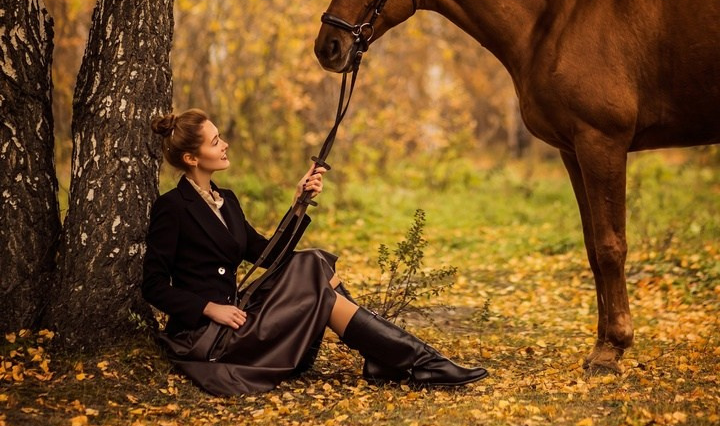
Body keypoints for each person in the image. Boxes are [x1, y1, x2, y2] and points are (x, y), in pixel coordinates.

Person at [142, 108, 489, 396]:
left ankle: (407, 360)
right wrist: (211, 309)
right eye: (216, 141)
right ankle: (411, 360)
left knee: (314, 261)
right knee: (313, 266)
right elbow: (153, 286)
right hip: (210, 335)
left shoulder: (226, 200)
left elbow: (267, 253)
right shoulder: (172, 208)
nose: (225, 144)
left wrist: (298, 203)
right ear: (191, 158)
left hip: (240, 315)